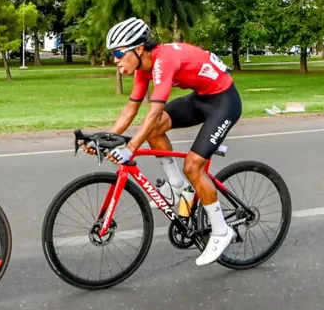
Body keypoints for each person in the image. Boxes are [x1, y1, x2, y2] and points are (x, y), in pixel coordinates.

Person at [102, 17, 242, 266]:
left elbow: (154, 111)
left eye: (119, 53)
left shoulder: (163, 61)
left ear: (139, 48)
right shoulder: (143, 67)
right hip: (201, 98)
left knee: (193, 166)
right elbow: (130, 110)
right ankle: (179, 188)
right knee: (154, 129)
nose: (115, 59)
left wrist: (131, 147)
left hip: (224, 103)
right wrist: (106, 138)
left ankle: (221, 231)